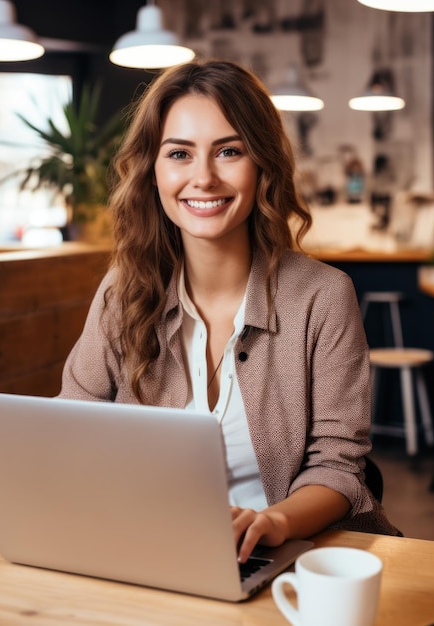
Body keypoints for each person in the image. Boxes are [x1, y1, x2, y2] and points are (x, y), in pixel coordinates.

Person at [59, 59, 400, 563]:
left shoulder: (323, 297)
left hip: (296, 557)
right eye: (179, 153)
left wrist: (273, 521)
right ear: (152, 171)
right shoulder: (122, 294)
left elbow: (339, 467)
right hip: (155, 548)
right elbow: (71, 429)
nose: (204, 177)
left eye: (229, 151)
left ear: (261, 163)